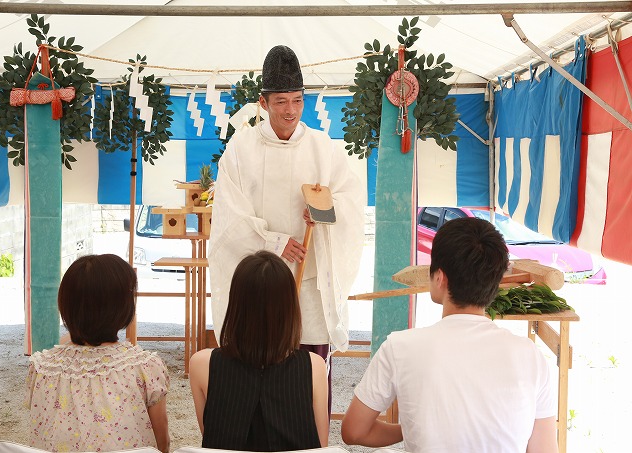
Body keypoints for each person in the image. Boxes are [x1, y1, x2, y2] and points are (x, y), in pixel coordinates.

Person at [208, 45, 364, 386]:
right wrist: (273, 242)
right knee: (256, 368)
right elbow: (229, 217)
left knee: (309, 373)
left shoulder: (323, 147)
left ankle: (312, 437)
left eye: (297, 100)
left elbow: (350, 202)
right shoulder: (241, 148)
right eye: (281, 102)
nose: (290, 110)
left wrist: (323, 211)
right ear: (263, 103)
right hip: (258, 281)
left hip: (309, 281)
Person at [341, 217, 558, 453]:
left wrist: (412, 426)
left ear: (439, 277)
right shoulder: (530, 355)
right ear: (496, 284)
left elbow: (354, 431)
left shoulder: (400, 347)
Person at [25, 254, 170, 453]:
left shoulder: (42, 367)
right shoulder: (144, 367)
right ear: (123, 307)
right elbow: (162, 444)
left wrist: (77, 332)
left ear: (65, 304)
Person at [190, 250, 329, 450]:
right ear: (289, 308)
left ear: (236, 304)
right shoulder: (314, 366)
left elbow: (214, 439)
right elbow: (320, 448)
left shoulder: (201, 364)